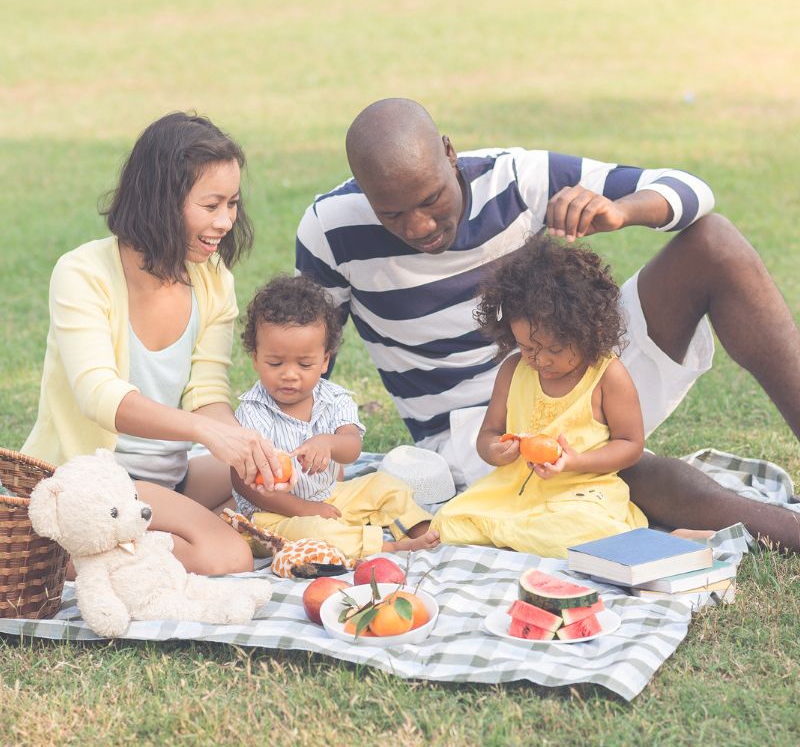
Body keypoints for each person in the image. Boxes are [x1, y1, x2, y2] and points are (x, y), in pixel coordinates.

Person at [296, 97, 800, 552]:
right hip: (479, 435)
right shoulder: (330, 229)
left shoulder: (516, 179)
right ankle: (787, 534)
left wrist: (622, 211)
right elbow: (309, 362)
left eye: (431, 199)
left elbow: (693, 191)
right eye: (392, 213)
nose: (419, 226)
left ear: (450, 154)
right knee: (615, 476)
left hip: (577, 362)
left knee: (713, 241)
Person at [23, 112, 286, 575]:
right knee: (228, 554)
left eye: (233, 204)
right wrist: (204, 433)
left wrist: (238, 441)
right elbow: (99, 395)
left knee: (271, 488)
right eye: (211, 206)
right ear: (161, 200)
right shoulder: (83, 273)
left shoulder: (213, 280)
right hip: (95, 482)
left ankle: (125, 541)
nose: (226, 221)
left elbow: (206, 392)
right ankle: (61, 552)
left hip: (166, 478)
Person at [432, 236, 709, 556]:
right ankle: (522, 532)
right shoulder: (513, 370)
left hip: (581, 493)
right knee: (448, 522)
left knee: (582, 528)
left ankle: (665, 540)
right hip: (515, 492)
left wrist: (574, 462)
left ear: (587, 332)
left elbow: (631, 446)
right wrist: (496, 450)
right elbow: (488, 434)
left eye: (555, 349)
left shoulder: (607, 375)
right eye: (528, 347)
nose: (540, 360)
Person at [230, 274, 440, 558]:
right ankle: (386, 546)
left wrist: (328, 443)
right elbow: (242, 481)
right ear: (255, 358)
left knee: (385, 484)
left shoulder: (334, 399)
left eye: (305, 364)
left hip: (331, 496)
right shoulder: (252, 412)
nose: (290, 374)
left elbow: (352, 447)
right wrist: (305, 510)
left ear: (325, 360)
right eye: (275, 362)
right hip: (275, 517)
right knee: (316, 535)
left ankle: (419, 528)